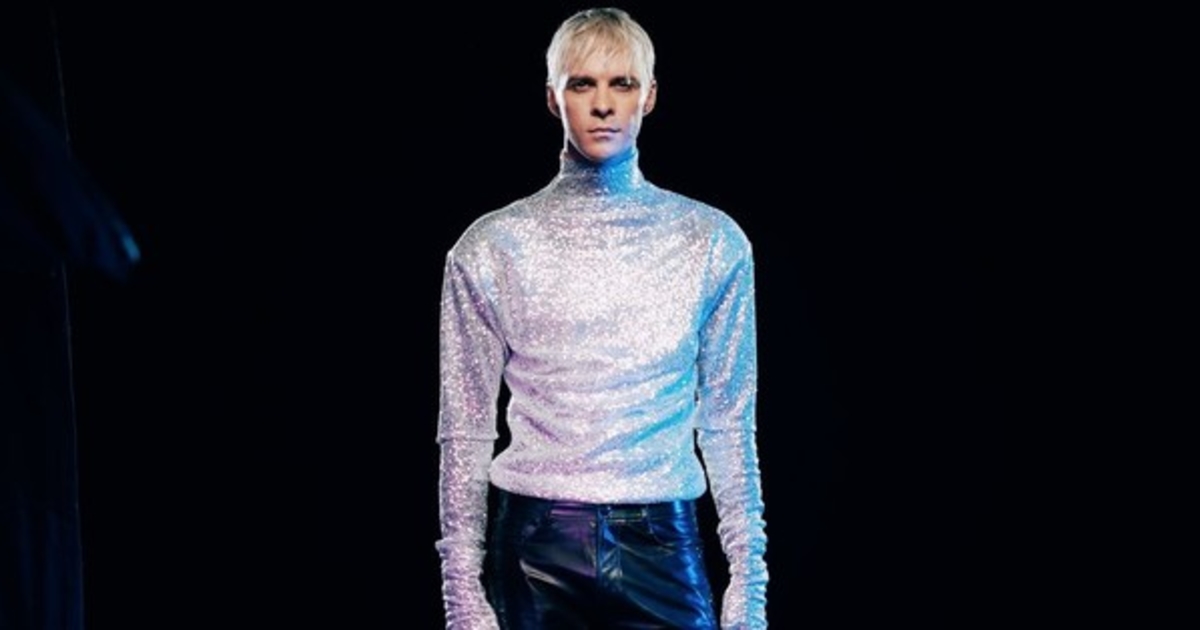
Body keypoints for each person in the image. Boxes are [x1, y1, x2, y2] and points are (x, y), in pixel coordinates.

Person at [435, 7, 767, 628]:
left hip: (661, 539)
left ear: (650, 96)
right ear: (552, 97)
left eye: (623, 83)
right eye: (582, 84)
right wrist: (461, 593)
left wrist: (749, 586)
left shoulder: (710, 242)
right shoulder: (492, 246)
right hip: (534, 542)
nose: (604, 104)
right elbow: (466, 427)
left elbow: (727, 421)